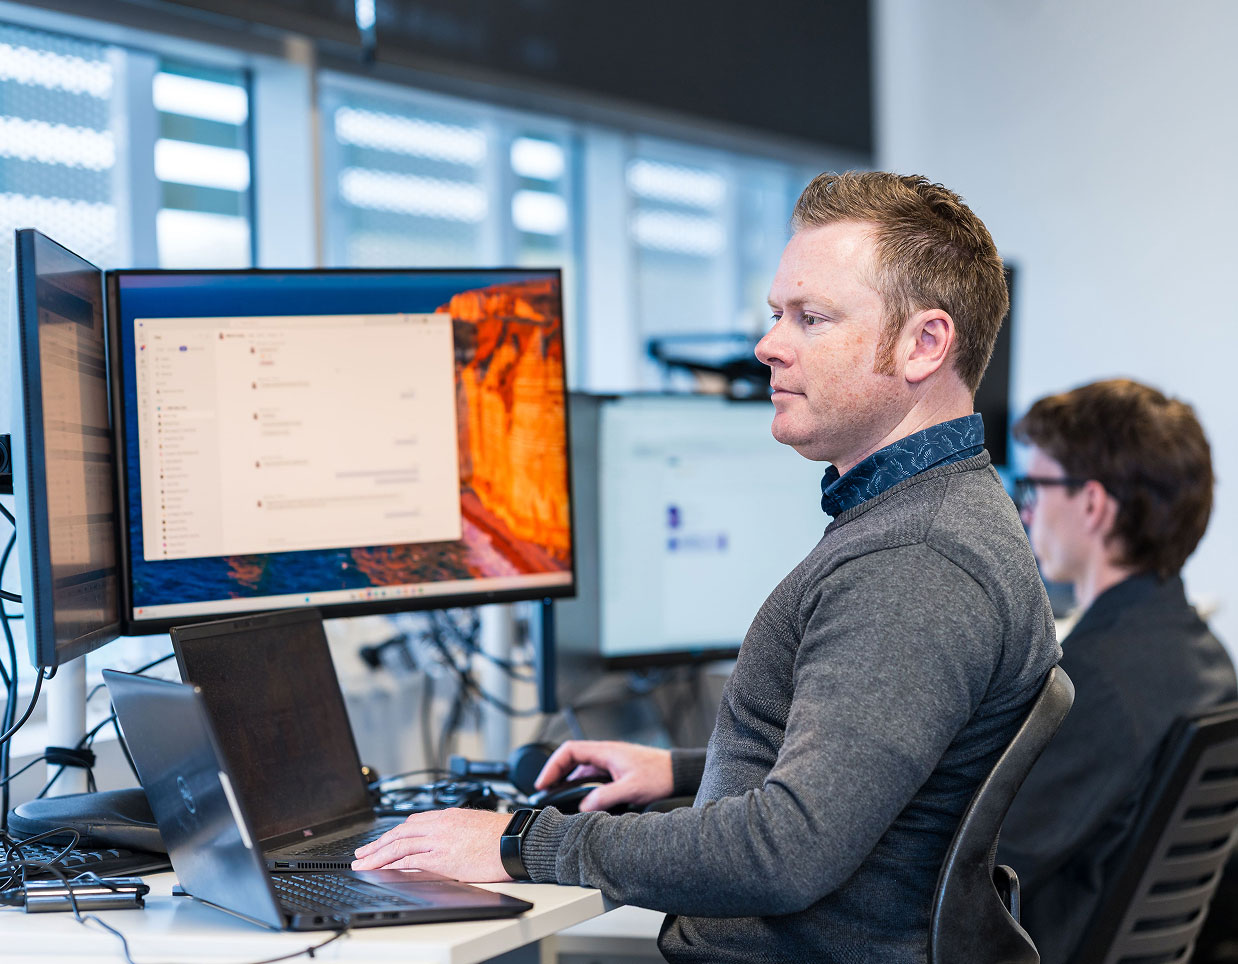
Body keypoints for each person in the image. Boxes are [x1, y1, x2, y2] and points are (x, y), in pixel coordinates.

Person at [353, 171, 1061, 963]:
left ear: (924, 344)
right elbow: (877, 766)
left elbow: (786, 853)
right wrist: (687, 770)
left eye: (811, 318)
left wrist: (523, 842)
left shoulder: (913, 560)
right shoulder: (934, 515)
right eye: (775, 314)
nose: (768, 345)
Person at [996, 378, 1236, 964]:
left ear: (1094, 504)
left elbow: (983, 869)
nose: (1024, 507)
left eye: (1034, 484)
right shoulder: (1206, 657)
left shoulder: (1093, 685)